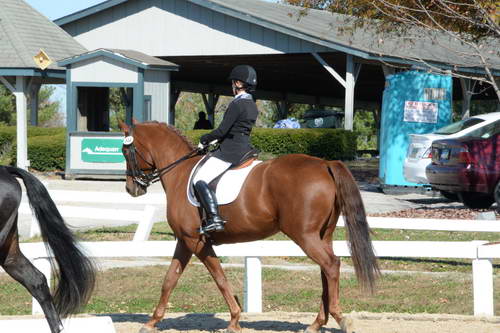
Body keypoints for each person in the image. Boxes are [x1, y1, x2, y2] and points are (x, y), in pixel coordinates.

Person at [193, 65, 259, 234]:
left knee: (199, 180)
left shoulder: (237, 104)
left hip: (230, 152)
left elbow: (222, 131)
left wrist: (204, 139)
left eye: (233, 82)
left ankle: (214, 218)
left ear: (238, 83)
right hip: (245, 148)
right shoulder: (251, 103)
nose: (231, 86)